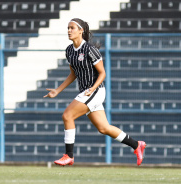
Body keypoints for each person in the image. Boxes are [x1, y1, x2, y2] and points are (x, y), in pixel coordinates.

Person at [44, 18, 146, 166]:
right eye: (68, 28)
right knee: (104, 128)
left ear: (81, 31)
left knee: (67, 115)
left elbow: (102, 73)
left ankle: (69, 155)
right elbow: (73, 74)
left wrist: (92, 88)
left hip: (95, 91)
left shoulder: (90, 49)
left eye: (72, 28)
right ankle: (137, 145)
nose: (69, 31)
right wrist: (57, 91)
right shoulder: (69, 51)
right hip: (87, 93)